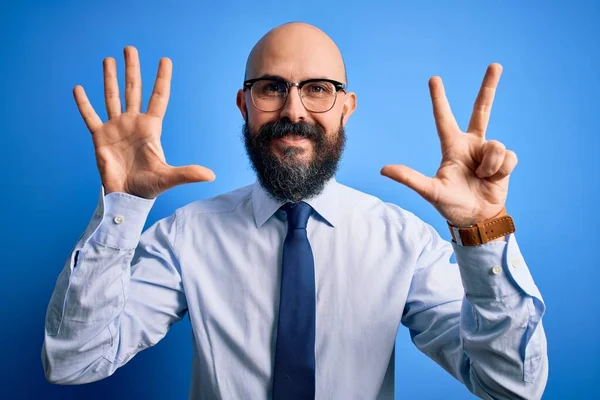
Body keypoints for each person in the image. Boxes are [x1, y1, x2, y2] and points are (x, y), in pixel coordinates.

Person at [41, 22, 548, 399]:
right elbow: (75, 361)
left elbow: (509, 386)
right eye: (272, 87)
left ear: (346, 106)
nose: (294, 110)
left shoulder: (405, 243)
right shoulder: (184, 237)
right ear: (244, 104)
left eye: (317, 89)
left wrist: (482, 234)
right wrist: (123, 207)